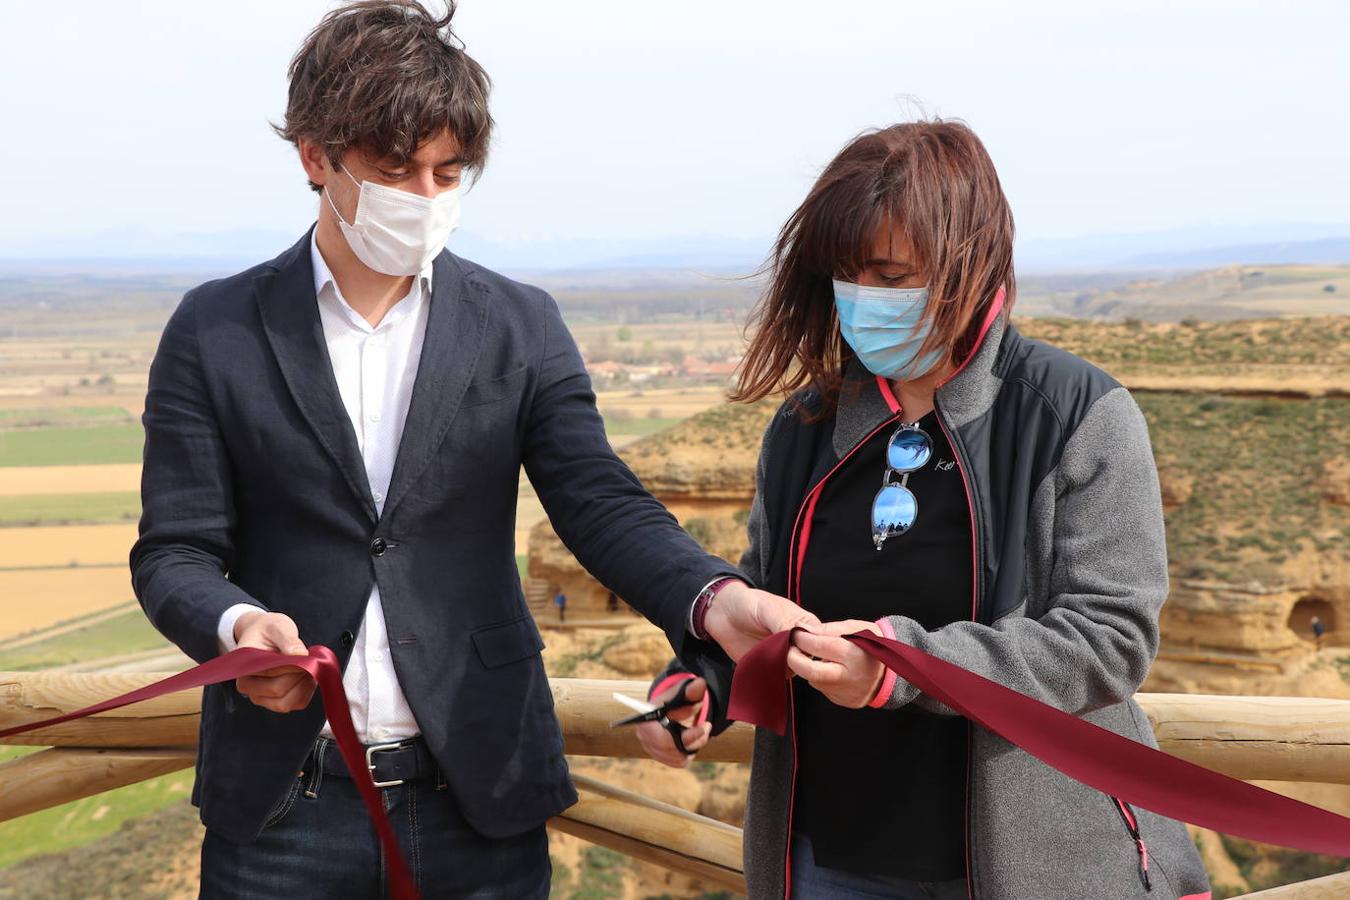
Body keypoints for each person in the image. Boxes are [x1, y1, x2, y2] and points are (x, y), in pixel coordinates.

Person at [128, 3, 813, 897]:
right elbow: (175, 551)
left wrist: (714, 600)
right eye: (393, 169)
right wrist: (238, 629)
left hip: (481, 798)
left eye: (447, 172)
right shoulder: (212, 328)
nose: (423, 197)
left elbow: (598, 500)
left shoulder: (520, 324)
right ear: (313, 157)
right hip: (282, 810)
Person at [639, 121, 1212, 899]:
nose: (862, 299)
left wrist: (902, 669)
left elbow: (1109, 640)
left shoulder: (1076, 414)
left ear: (971, 266)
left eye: (890, 274)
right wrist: (703, 679)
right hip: (826, 860)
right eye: (845, 273)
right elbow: (767, 599)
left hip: (1031, 867)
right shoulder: (805, 425)